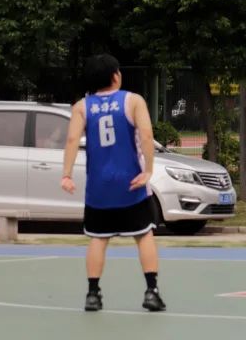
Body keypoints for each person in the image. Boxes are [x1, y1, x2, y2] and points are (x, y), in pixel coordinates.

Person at [61, 54, 166, 312]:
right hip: (131, 182)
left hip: (99, 187)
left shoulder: (81, 107)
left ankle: (93, 294)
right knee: (144, 235)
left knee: (98, 239)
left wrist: (66, 174)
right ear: (116, 76)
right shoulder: (133, 101)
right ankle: (151, 291)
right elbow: (146, 135)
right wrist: (148, 170)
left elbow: (72, 140)